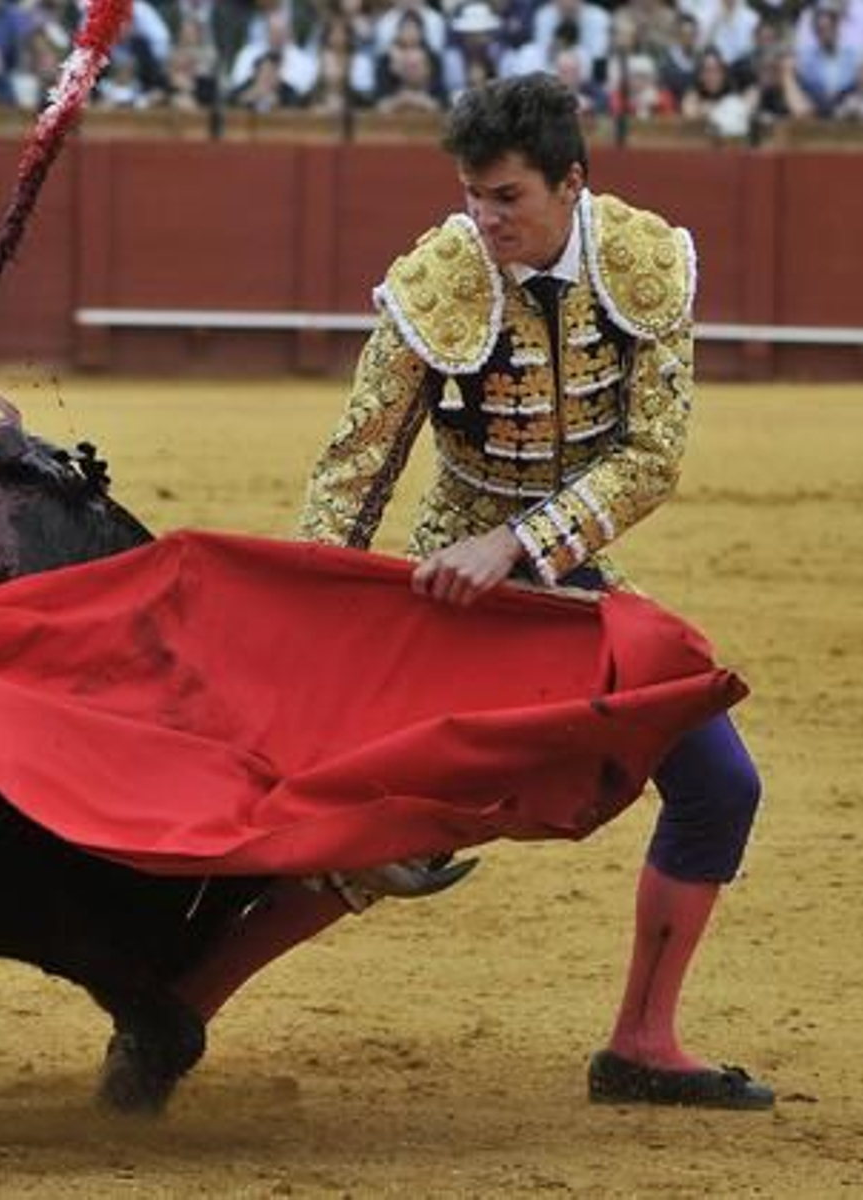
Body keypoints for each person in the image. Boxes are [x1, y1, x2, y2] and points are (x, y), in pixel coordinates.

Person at [167, 72, 773, 1111]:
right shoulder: (438, 282)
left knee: (720, 786)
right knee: (393, 824)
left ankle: (639, 1043)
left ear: (569, 184)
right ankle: (174, 1014)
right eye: (471, 197)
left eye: (504, 198)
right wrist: (310, 618)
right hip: (453, 584)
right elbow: (359, 461)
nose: (481, 220)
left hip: (563, 572)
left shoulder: (646, 263)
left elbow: (653, 457)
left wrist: (524, 542)